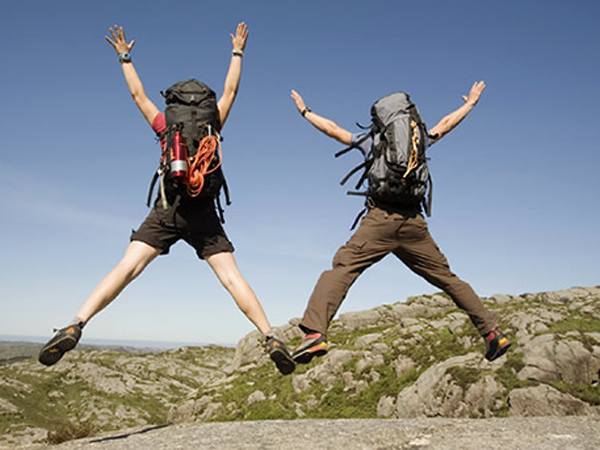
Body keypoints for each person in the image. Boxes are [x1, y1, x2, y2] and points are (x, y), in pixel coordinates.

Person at [38, 23, 295, 375]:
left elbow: (138, 96)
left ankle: (76, 323)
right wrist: (237, 52)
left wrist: (125, 58)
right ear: (203, 106)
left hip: (167, 208)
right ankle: (270, 337)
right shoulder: (212, 124)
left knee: (127, 268)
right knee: (232, 278)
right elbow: (231, 89)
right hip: (203, 210)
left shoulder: (165, 126)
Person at [289, 82, 511, 364]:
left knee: (342, 269)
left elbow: (334, 129)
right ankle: (492, 333)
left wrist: (306, 112)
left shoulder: (373, 141)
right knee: (448, 278)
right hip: (414, 224)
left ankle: (314, 334)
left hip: (380, 220)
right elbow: (446, 123)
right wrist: (470, 104)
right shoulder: (418, 141)